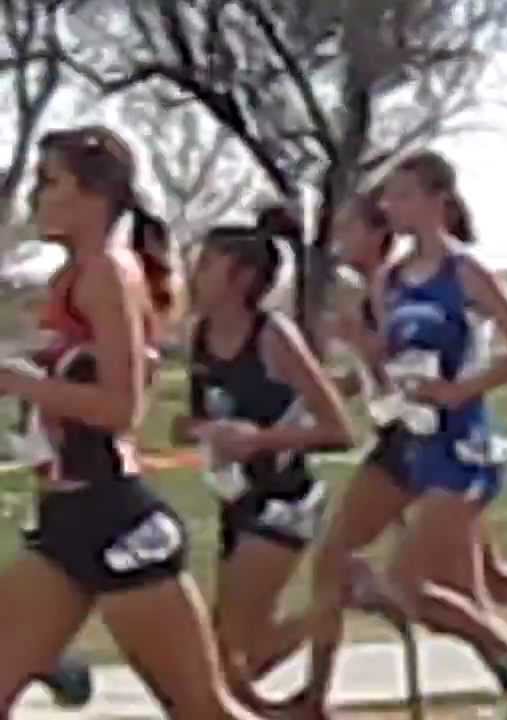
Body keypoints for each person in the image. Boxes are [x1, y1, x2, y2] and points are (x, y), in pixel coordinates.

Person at [298, 156, 507, 720]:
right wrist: (357, 349)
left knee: (411, 585)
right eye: (388, 199)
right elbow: (391, 367)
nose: (391, 208)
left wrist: (463, 389)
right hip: (408, 442)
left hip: (461, 447)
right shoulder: (390, 280)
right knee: (389, 565)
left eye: (403, 197)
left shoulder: (464, 272)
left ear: (438, 200)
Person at [0, 125, 263, 718]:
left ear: (95, 195)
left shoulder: (106, 272)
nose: (34, 198)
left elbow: (123, 410)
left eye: (49, 183)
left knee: (204, 711)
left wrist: (26, 384)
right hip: (67, 520)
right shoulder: (70, 279)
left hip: (116, 522)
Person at [169, 220, 356, 708]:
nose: (193, 272)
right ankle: (275, 711)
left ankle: (348, 598)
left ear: (243, 277)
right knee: (225, 662)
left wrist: (261, 440)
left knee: (229, 652)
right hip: (235, 498)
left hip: (284, 499)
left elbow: (338, 429)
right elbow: (201, 415)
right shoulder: (201, 335)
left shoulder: (274, 336)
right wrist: (195, 430)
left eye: (207, 263)